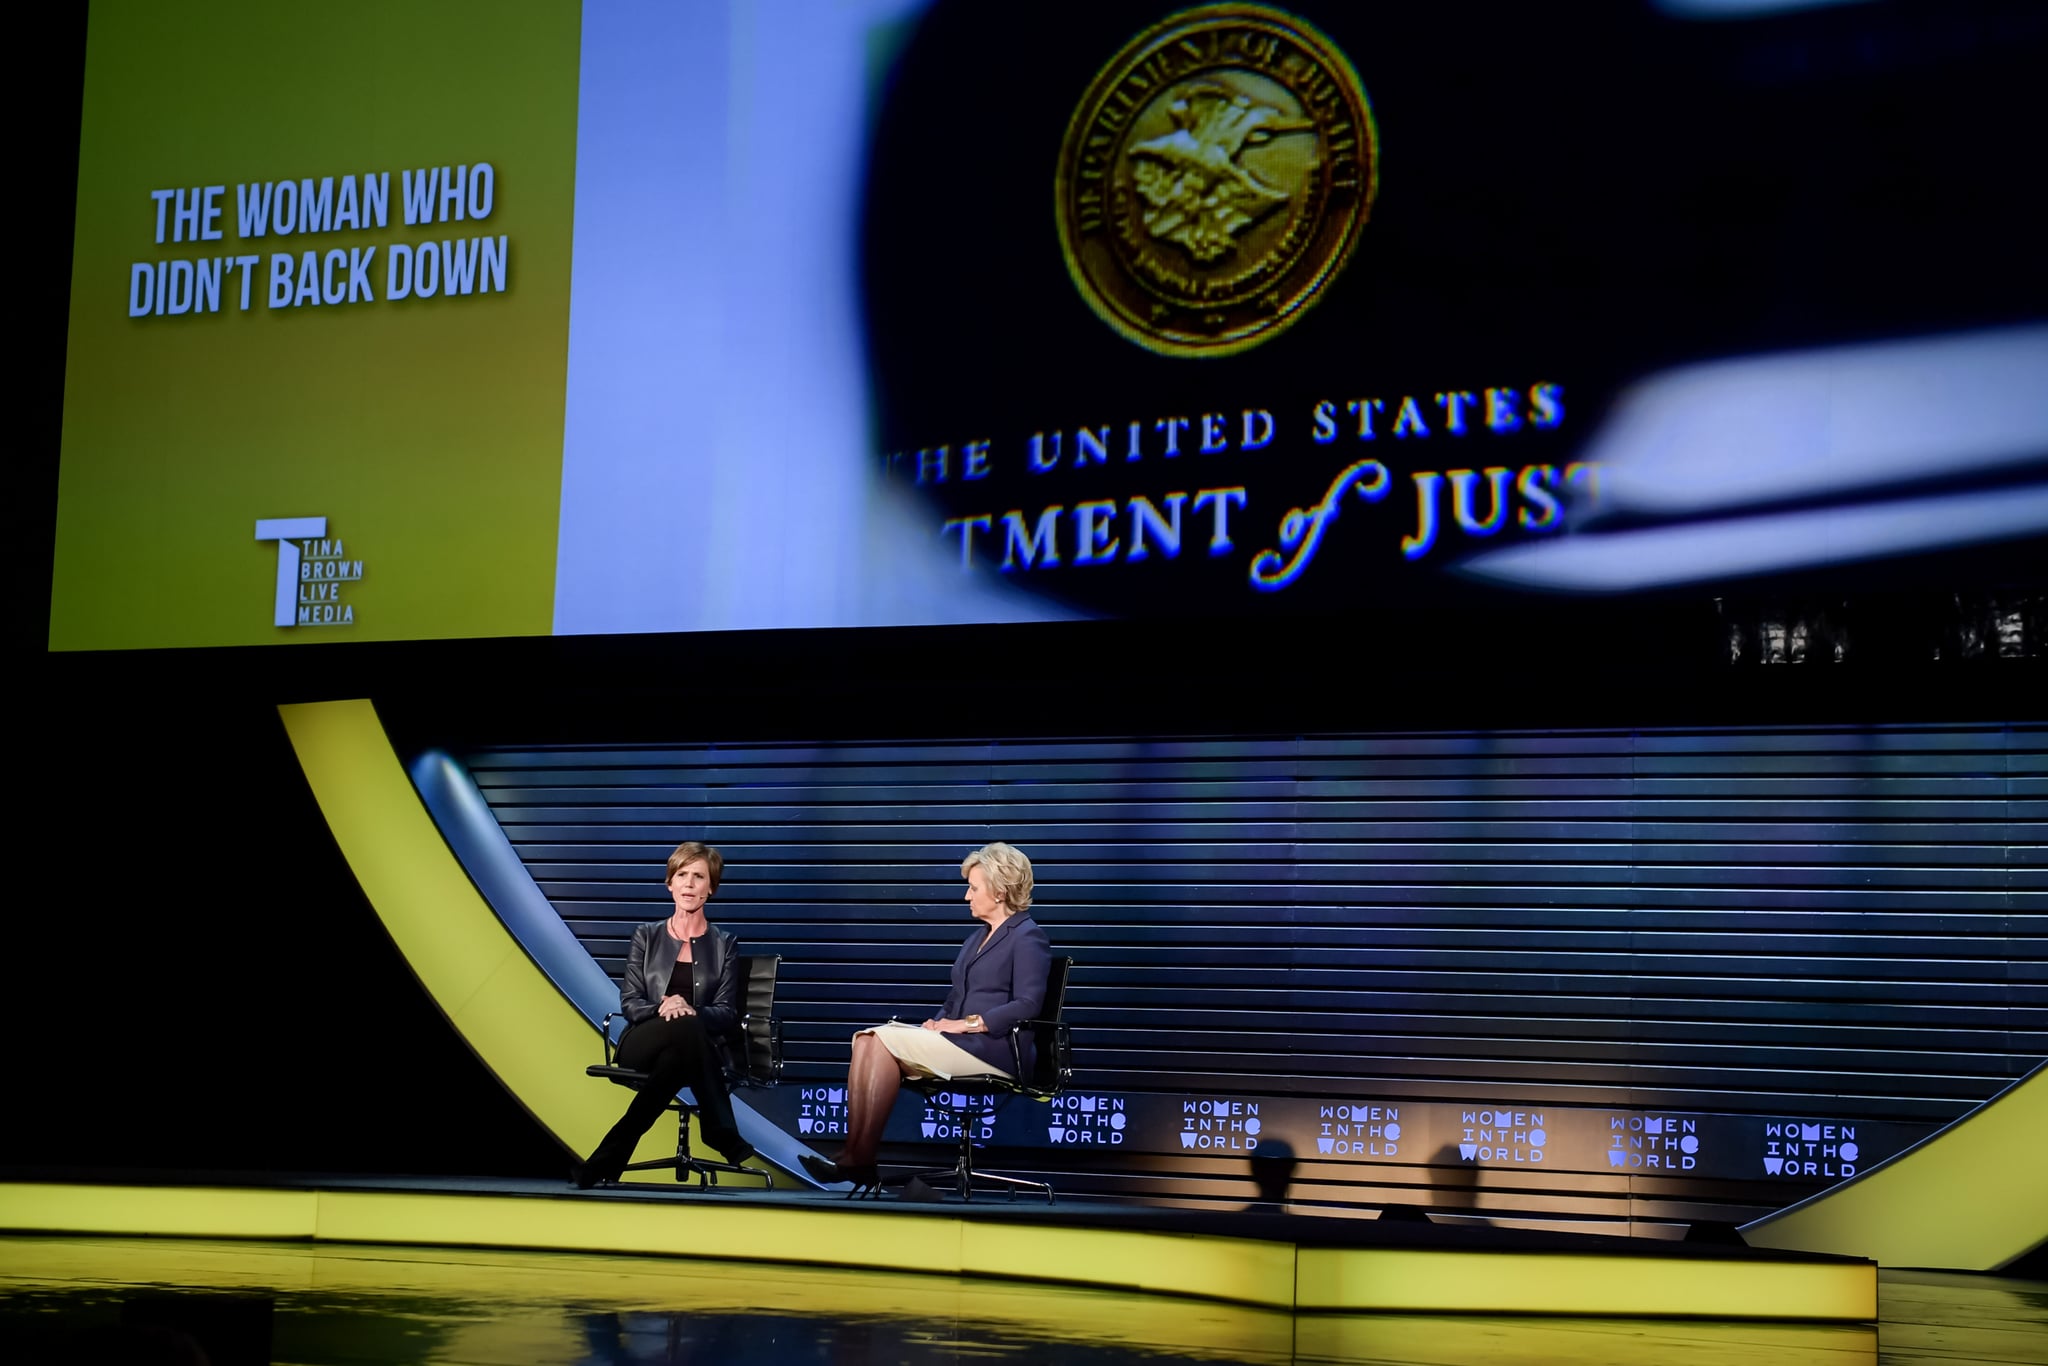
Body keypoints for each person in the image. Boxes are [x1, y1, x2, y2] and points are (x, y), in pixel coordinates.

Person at [801, 842, 1051, 1191]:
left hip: (996, 1050)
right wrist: (935, 1023)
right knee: (867, 1040)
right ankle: (856, 1155)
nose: (967, 896)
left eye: (974, 888)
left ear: (1000, 891)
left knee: (881, 1039)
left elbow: (1028, 1004)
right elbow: (955, 1000)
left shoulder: (1027, 937)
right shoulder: (976, 939)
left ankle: (859, 1159)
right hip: (962, 1043)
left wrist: (966, 1024)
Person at [574, 840, 755, 1186]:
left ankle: (601, 1164)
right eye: (682, 874)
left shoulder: (724, 944)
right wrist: (664, 1005)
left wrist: (690, 1009)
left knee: (676, 1058)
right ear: (669, 883)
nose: (689, 883)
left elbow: (727, 1013)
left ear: (711, 888)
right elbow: (630, 1003)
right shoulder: (647, 935)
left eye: (699, 876)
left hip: (691, 1048)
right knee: (684, 1028)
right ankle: (719, 1129)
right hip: (643, 1040)